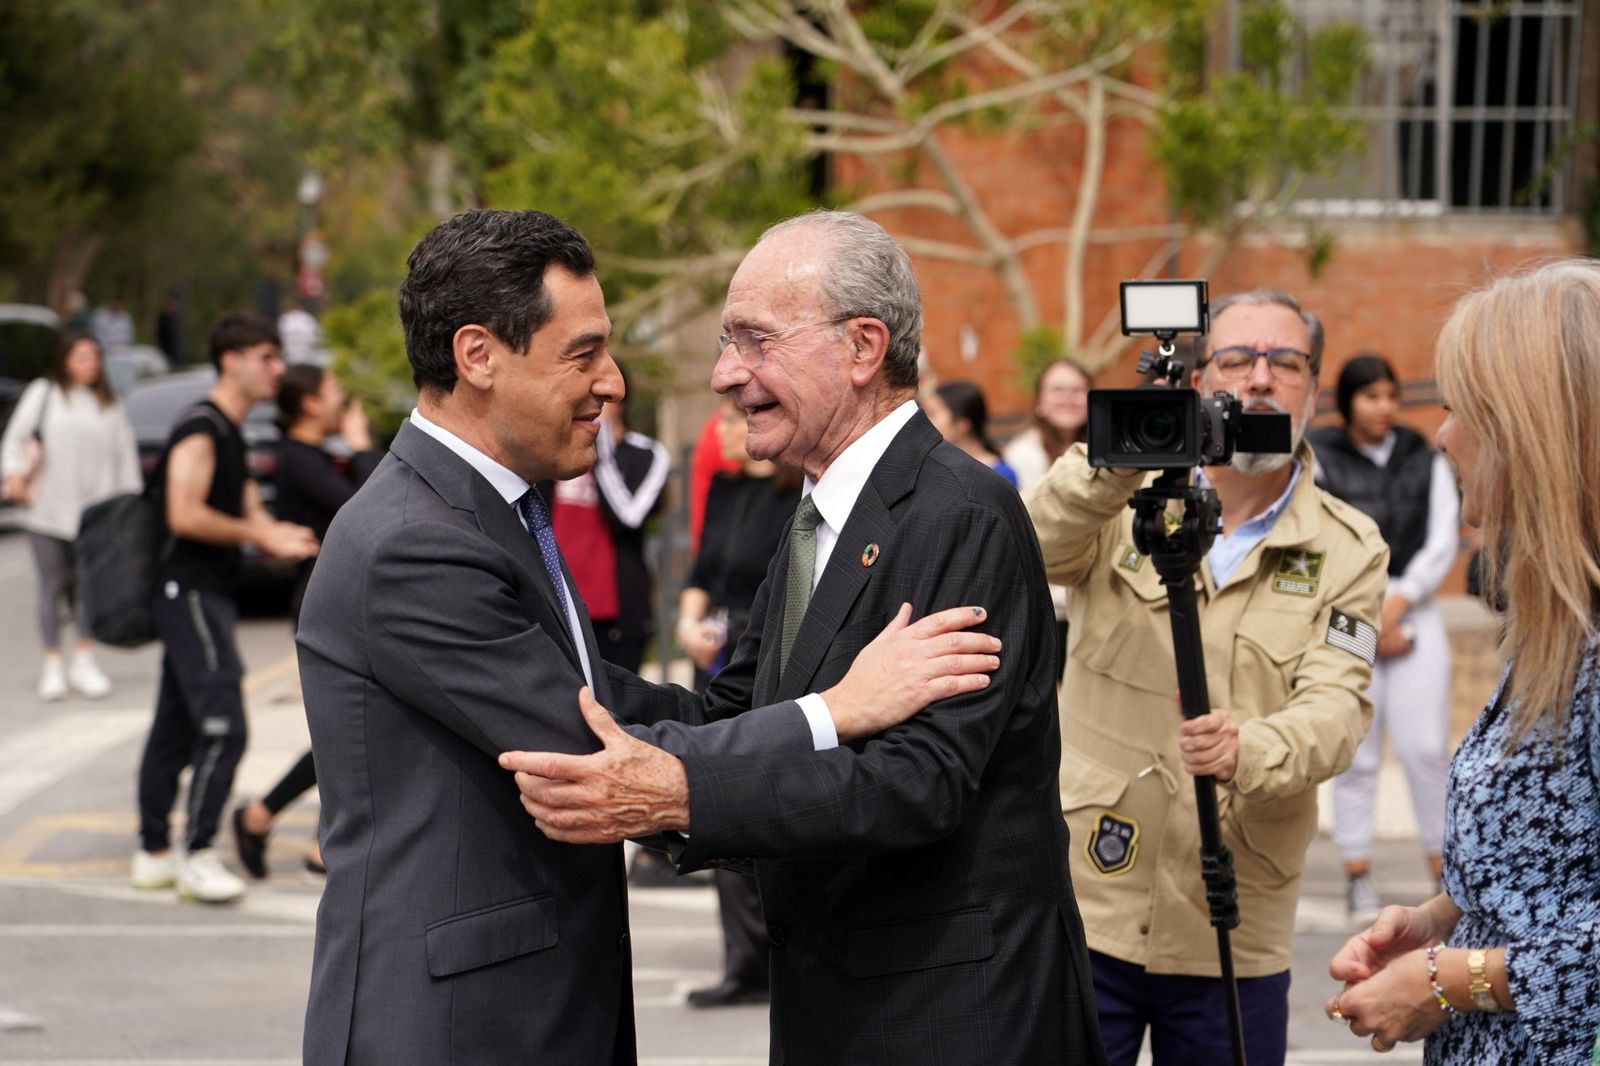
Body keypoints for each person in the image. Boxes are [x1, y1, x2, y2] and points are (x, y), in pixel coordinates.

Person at [293, 208, 1000, 1065]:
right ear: (477, 356)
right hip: (460, 1030)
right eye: (583, 353)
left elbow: (618, 704)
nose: (613, 382)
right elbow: (593, 747)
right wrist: (835, 710)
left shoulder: (488, 512)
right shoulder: (413, 542)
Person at [502, 210, 1107, 1066]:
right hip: (843, 1003)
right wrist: (545, 671)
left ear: (863, 348)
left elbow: (920, 782)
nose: (723, 374)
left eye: (753, 341)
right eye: (725, 343)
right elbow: (731, 710)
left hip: (953, 1018)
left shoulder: (958, 513)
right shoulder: (823, 508)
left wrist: (683, 798)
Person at [1025, 288, 1389, 1066]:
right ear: (1196, 381)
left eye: (1283, 362)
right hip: (1089, 896)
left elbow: (1338, 707)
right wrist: (1111, 467)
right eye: (1234, 360)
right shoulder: (1114, 501)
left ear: (1314, 388)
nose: (1258, 380)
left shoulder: (1351, 549)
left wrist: (1249, 747)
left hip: (1234, 916)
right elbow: (1024, 548)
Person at [1324, 259, 1600, 1063]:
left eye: (1461, 408)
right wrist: (1441, 920)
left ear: (1533, 429)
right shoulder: (1559, 630)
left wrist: (1450, 979)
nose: (1441, 434)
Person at [131, 313, 319, 905]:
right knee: (223, 725)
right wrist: (256, 534)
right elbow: (184, 514)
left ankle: (153, 851)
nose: (277, 369)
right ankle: (199, 851)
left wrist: (282, 534)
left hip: (205, 591)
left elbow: (248, 513)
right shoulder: (201, 428)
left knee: (175, 725)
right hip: (185, 589)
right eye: (266, 356)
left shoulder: (231, 431)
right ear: (231, 360)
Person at [1310, 354, 1460, 918]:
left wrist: (1399, 605)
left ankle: (1445, 874)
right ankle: (1356, 872)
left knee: (1425, 749)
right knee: (1359, 750)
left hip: (1415, 607)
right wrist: (1374, 617)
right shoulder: (1322, 457)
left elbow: (1443, 540)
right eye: (1371, 396)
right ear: (1348, 401)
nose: (1384, 407)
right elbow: (1322, 537)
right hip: (1350, 610)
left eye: (1391, 396)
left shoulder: (1425, 458)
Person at [675, 396, 803, 1006]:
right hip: (716, 653)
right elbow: (702, 572)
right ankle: (743, 961)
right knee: (716, 794)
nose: (721, 431)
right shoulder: (723, 490)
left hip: (765, 655)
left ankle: (777, 952)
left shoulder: (793, 498)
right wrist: (686, 624)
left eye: (729, 418)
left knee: (762, 795)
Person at [231, 364, 380, 880]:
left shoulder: (315, 455)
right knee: (352, 722)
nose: (344, 400)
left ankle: (267, 818)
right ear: (312, 404)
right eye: (335, 391)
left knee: (358, 723)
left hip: (348, 600)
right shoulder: (298, 460)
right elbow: (366, 508)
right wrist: (362, 447)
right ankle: (281, 823)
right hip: (327, 604)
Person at [0, 332, 141, 700]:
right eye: (81, 357)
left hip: (94, 515)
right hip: (47, 509)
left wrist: (127, 510)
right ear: (64, 359)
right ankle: (51, 663)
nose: (89, 364)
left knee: (86, 589)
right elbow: (15, 440)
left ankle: (84, 657)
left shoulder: (109, 405)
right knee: (51, 586)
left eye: (94, 357)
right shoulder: (43, 394)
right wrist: (13, 473)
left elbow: (125, 460)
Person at [549, 359, 671, 672]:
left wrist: (600, 453)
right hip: (560, 608)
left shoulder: (646, 455)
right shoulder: (553, 454)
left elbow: (628, 518)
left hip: (618, 613)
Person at [1005, 357, 1093, 678]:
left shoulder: (1108, 454)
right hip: (1042, 603)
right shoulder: (1020, 457)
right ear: (1040, 400)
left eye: (1077, 390)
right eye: (1057, 390)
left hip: (1091, 601)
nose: (1068, 398)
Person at [923, 378, 1019, 486]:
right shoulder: (930, 467)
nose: (925, 420)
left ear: (962, 424)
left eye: (932, 414)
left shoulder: (1001, 475)